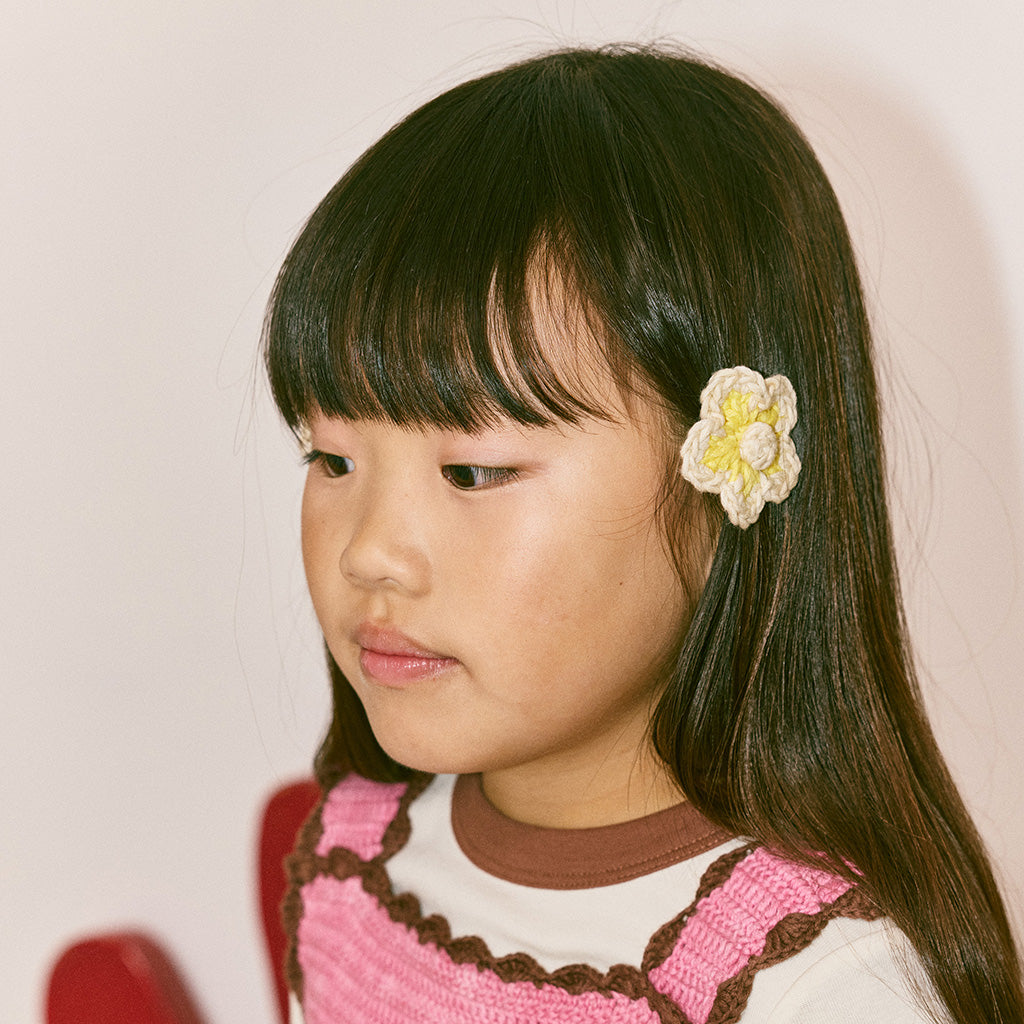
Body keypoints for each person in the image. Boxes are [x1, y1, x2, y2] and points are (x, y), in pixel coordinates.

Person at [262, 45, 1023, 1023]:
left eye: (474, 471)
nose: (368, 551)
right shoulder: (356, 864)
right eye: (331, 459)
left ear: (725, 481)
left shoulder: (816, 985)